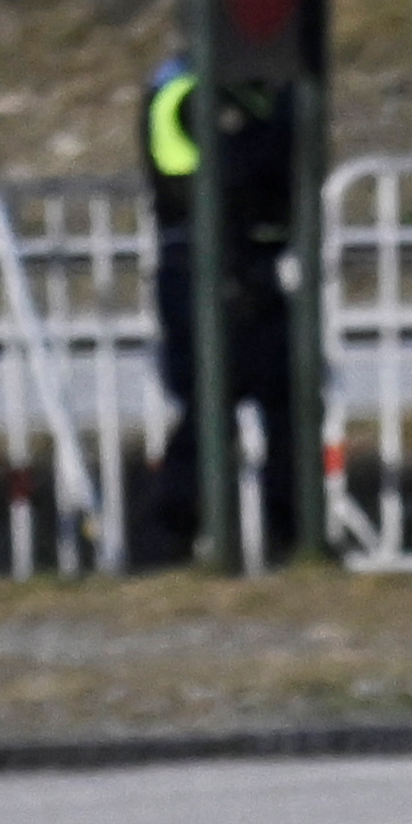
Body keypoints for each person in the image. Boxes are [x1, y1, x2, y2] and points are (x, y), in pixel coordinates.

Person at [127, 48, 303, 571]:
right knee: (212, 399)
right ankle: (172, 536)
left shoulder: (247, 92)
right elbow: (233, 172)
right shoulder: (184, 94)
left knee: (285, 399)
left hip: (245, 262)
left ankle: (286, 533)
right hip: (199, 264)